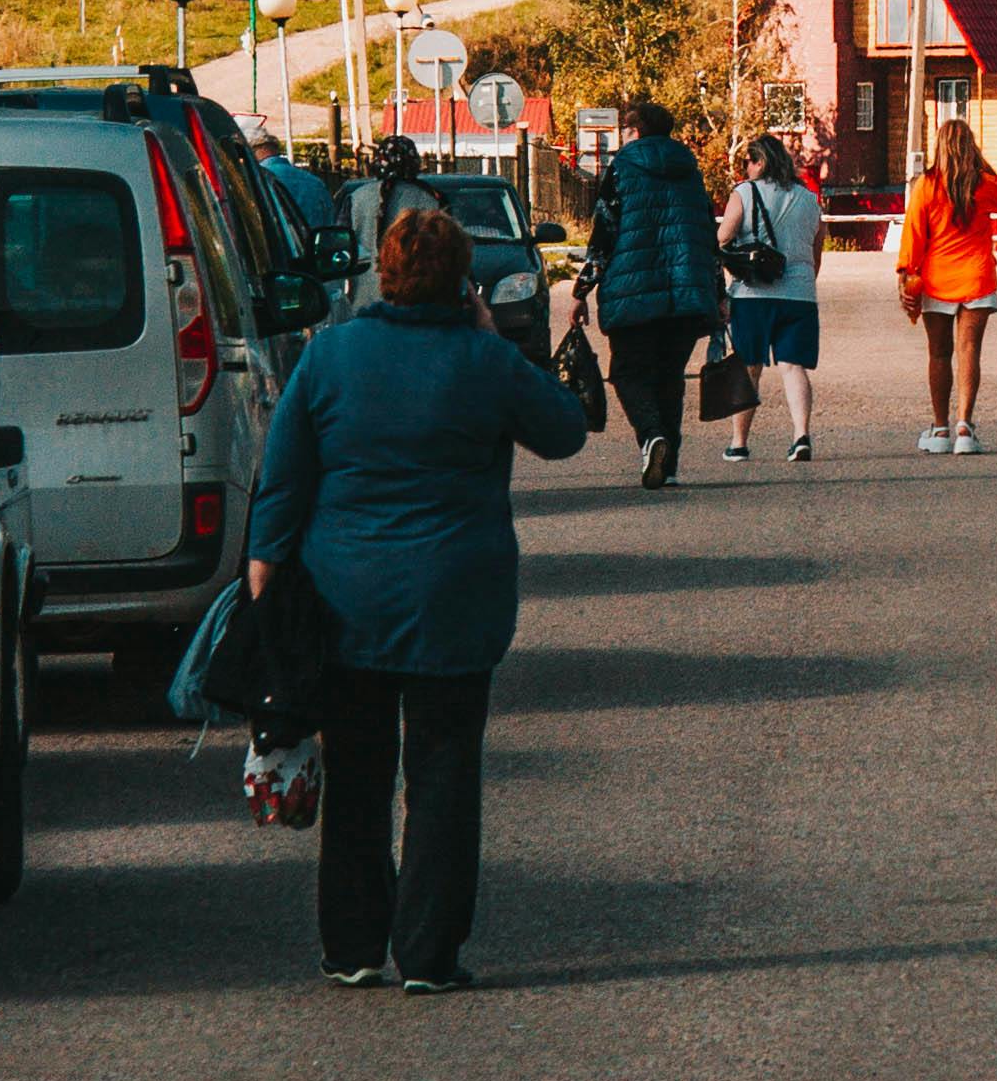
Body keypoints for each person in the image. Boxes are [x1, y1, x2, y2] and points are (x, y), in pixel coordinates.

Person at [246, 194, 592, 992]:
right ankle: (429, 954)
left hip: (345, 597)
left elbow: (286, 475)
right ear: (462, 284)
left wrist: (266, 570)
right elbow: (565, 432)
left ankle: (353, 945)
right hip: (453, 597)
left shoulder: (330, 356)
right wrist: (491, 337)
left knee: (360, 773)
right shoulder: (486, 361)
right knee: (443, 773)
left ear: (385, 275)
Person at [576, 95, 727, 488]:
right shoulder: (690, 170)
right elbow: (707, 235)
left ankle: (651, 437)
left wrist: (582, 288)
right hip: (685, 292)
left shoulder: (622, 169)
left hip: (633, 291)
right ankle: (670, 464)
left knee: (627, 373)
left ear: (636, 131)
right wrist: (719, 293)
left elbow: (604, 231)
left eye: (625, 130)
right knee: (669, 377)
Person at [895, 112, 997, 451]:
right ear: (970, 148)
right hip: (976, 277)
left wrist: (905, 275)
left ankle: (940, 430)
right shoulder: (982, 185)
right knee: (969, 352)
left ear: (939, 148)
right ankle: (965, 427)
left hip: (936, 280)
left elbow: (913, 235)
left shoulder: (927, 186)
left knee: (938, 354)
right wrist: (981, 165)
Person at [718, 128, 825, 463]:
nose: (745, 169)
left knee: (749, 366)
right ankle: (801, 436)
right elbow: (815, 252)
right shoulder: (809, 200)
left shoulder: (744, 193)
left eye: (748, 162)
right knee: (793, 367)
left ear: (760, 161)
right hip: (800, 295)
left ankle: (738, 443)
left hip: (752, 294)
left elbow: (721, 239)